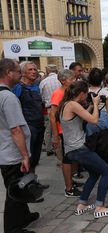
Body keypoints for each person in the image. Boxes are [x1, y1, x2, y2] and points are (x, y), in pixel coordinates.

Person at [59, 81, 108, 218]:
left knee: (94, 173)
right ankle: (99, 207)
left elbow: (83, 116)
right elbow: (94, 120)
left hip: (72, 149)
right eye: (86, 95)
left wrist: (92, 105)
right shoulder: (73, 104)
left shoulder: (67, 104)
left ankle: (82, 204)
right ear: (82, 94)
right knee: (107, 172)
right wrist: (96, 104)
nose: (87, 97)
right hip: (79, 149)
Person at [0, 58, 39, 233]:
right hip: (11, 152)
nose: (20, 74)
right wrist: (25, 155)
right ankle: (13, 227)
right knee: (15, 190)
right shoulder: (8, 97)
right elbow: (16, 129)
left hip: (4, 149)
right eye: (17, 71)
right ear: (8, 73)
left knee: (17, 185)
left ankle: (24, 216)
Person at [50, 69, 81, 197]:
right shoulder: (58, 94)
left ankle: (71, 181)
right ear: (63, 81)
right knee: (67, 160)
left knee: (72, 158)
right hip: (63, 131)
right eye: (72, 79)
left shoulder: (68, 92)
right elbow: (52, 115)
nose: (75, 81)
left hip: (69, 130)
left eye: (75, 78)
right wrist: (56, 135)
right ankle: (68, 188)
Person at [13, 61, 45, 172]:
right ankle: (26, 183)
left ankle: (33, 181)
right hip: (28, 126)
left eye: (35, 69)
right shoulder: (18, 87)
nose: (34, 72)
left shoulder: (36, 86)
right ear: (23, 72)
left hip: (39, 125)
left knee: (36, 157)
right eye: (30, 69)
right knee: (28, 156)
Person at [86, 68, 108, 168]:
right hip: (103, 118)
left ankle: (96, 167)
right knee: (106, 144)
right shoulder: (105, 92)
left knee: (93, 144)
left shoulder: (86, 91)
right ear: (101, 79)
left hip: (90, 118)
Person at [39, 64, 61, 157]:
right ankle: (59, 149)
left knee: (48, 129)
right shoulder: (60, 80)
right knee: (60, 128)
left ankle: (49, 148)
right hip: (61, 107)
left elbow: (41, 96)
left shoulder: (43, 82)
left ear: (48, 71)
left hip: (49, 108)